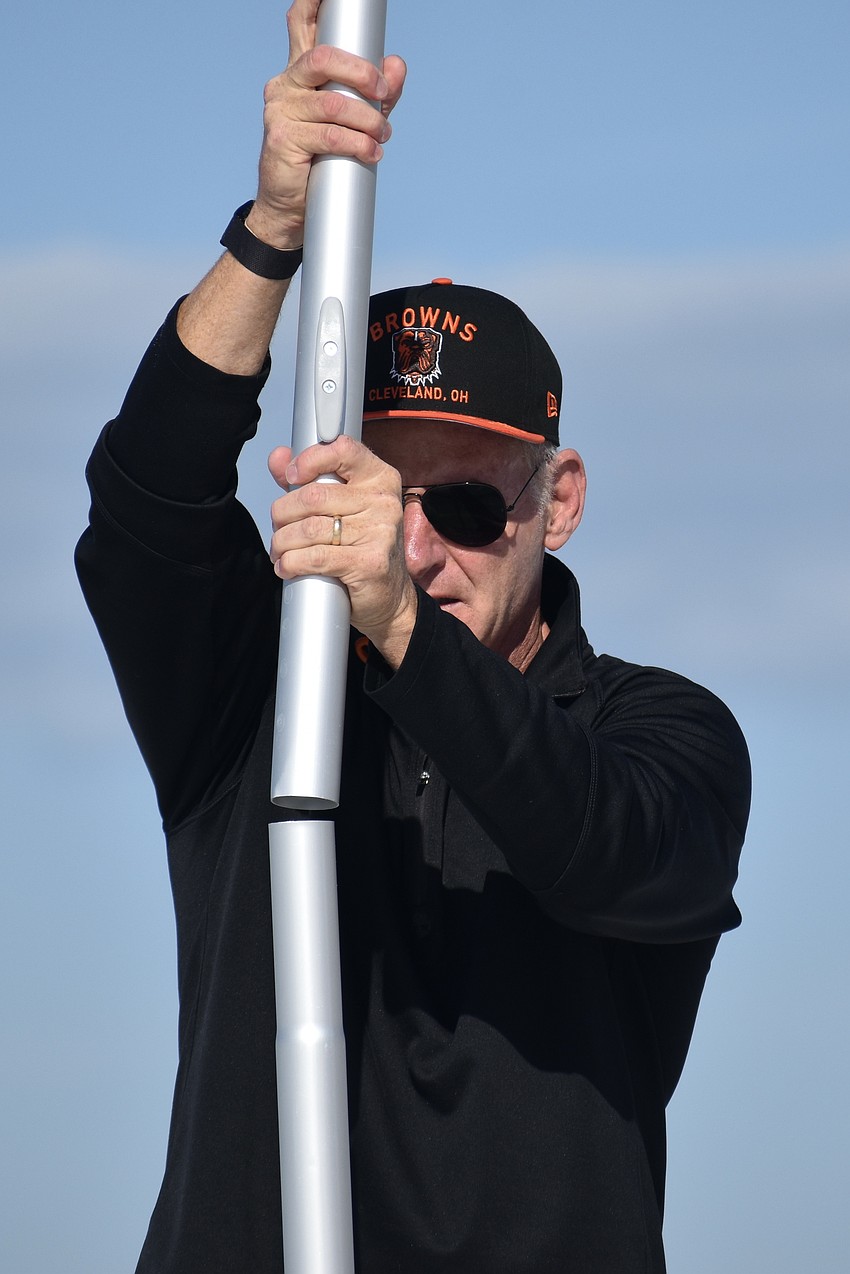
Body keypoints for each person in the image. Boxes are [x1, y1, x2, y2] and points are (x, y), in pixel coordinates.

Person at [76, 2, 750, 1270]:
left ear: (559, 502)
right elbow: (142, 505)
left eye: (452, 504)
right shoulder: (253, 701)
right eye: (373, 497)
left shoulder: (664, 733)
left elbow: (603, 848)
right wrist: (273, 224)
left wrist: (396, 628)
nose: (413, 547)